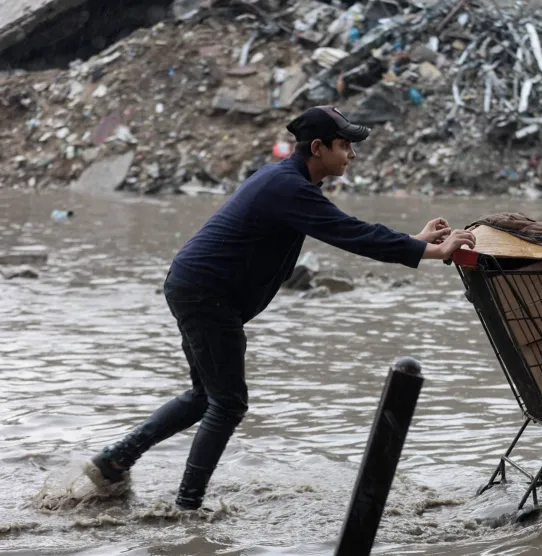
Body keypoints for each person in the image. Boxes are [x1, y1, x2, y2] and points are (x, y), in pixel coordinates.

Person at [84, 106, 476, 510]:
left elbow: (348, 230)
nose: (352, 156)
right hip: (207, 294)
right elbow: (354, 235)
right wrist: (431, 250)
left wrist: (417, 241)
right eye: (345, 146)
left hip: (197, 288)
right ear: (318, 148)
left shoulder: (289, 182)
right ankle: (187, 507)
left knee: (207, 396)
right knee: (228, 402)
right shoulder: (287, 187)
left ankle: (114, 461)